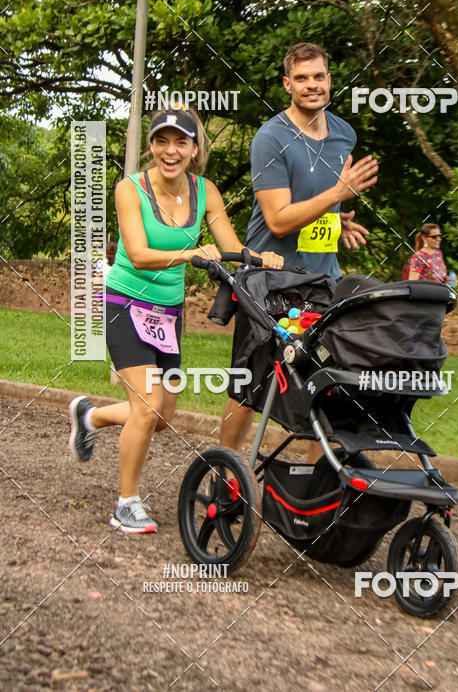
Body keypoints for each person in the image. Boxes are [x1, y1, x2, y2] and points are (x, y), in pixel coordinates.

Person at [68, 108, 283, 533]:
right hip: (125, 303)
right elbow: (141, 254)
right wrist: (189, 254)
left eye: (180, 142)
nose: (171, 151)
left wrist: (262, 260)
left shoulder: (206, 192)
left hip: (167, 314)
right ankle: (126, 504)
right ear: (151, 146)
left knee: (162, 416)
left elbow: (230, 248)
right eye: (162, 141)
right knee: (146, 409)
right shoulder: (130, 189)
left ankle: (89, 418)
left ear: (194, 148)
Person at [220, 41, 379, 452]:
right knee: (249, 386)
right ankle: (224, 471)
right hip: (268, 283)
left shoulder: (344, 134)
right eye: (302, 78)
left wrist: (336, 220)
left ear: (330, 79)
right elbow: (277, 218)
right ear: (288, 84)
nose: (313, 85)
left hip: (324, 280)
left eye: (319, 76)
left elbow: (318, 199)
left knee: (324, 387)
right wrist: (337, 195)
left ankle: (316, 488)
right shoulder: (271, 138)